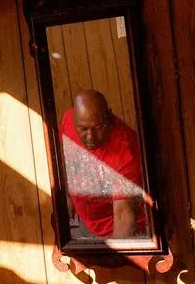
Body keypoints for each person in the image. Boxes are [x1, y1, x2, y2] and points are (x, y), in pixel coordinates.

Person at [58, 89, 148, 239]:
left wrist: (115, 256)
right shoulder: (68, 119)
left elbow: (123, 215)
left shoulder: (126, 151)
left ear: (109, 117)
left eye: (98, 127)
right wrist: (67, 193)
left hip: (117, 229)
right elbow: (67, 155)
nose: (90, 136)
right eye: (83, 129)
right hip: (85, 221)